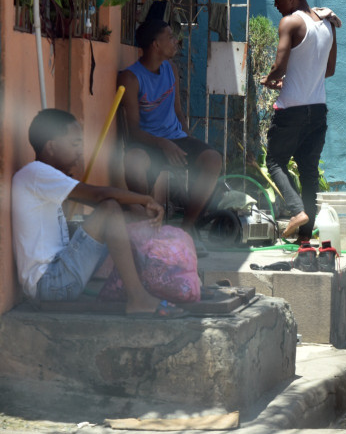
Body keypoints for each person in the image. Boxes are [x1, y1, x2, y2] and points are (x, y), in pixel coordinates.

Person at [11, 109, 182, 317]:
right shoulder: (36, 173)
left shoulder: (44, 177)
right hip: (51, 284)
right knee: (110, 209)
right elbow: (100, 195)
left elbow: (98, 199)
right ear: (51, 146)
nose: (80, 151)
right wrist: (145, 199)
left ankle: (155, 283)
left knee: (119, 215)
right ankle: (138, 297)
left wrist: (136, 208)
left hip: (59, 278)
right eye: (74, 144)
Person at [117, 20, 222, 240]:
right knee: (134, 162)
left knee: (212, 159)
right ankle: (147, 226)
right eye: (170, 37)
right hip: (147, 142)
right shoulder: (131, 77)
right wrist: (162, 144)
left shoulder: (170, 69)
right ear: (156, 44)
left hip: (176, 139)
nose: (176, 42)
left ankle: (186, 230)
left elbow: (177, 111)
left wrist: (187, 138)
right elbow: (133, 130)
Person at [260, 0, 338, 240]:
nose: (275, 4)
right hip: (317, 110)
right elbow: (328, 70)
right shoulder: (328, 24)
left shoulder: (290, 22)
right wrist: (289, 79)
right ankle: (305, 240)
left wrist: (268, 80)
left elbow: (279, 66)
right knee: (308, 172)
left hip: (291, 110)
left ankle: (296, 210)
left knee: (274, 161)